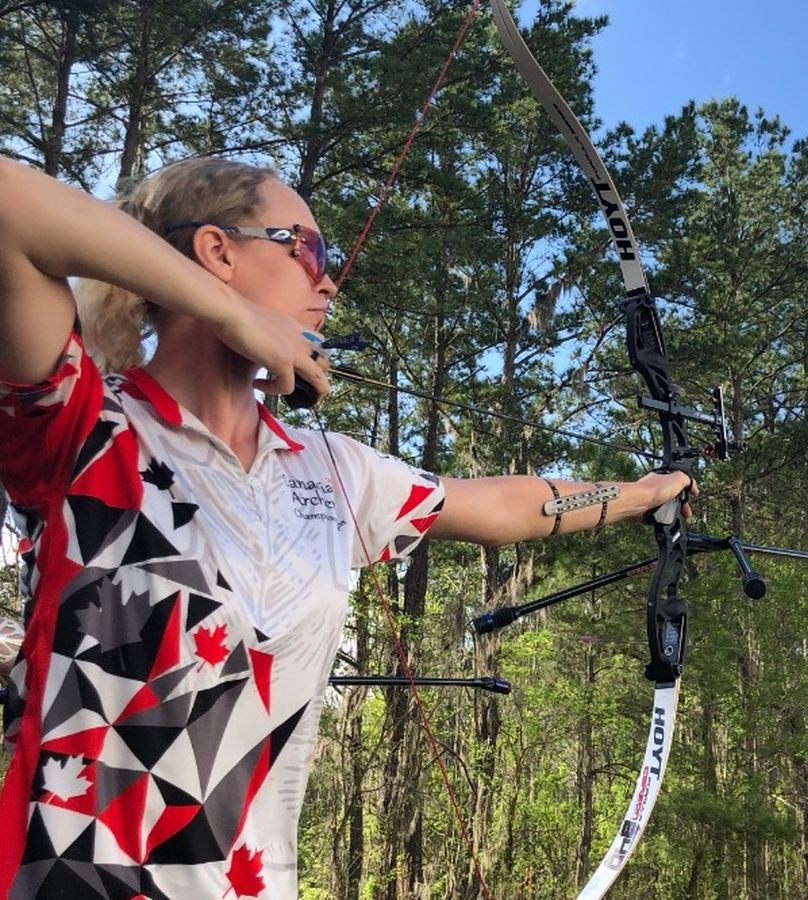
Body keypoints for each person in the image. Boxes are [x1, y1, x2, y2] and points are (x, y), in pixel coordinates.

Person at [0, 156, 694, 898]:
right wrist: (234, 316)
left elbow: (501, 509)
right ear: (217, 251)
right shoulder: (82, 424)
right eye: (307, 250)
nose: (329, 283)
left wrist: (645, 494)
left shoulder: (329, 470)